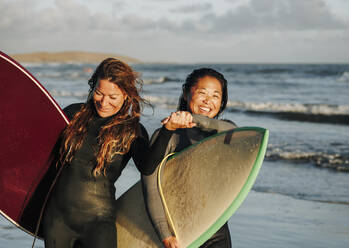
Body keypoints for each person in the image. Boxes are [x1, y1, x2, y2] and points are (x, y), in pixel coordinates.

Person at [42, 58, 150, 248]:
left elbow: (149, 169)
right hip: (58, 222)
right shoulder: (73, 115)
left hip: (99, 224)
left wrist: (168, 132)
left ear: (126, 95)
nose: (104, 102)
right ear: (93, 87)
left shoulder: (133, 131)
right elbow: (40, 155)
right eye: (99, 93)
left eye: (113, 97)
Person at [142, 68, 236, 248]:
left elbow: (237, 133)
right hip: (179, 234)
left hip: (217, 231)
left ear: (222, 101)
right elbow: (150, 185)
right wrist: (165, 235)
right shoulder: (168, 135)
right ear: (186, 94)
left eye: (216, 96)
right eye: (202, 93)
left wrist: (196, 119)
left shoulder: (224, 131)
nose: (208, 101)